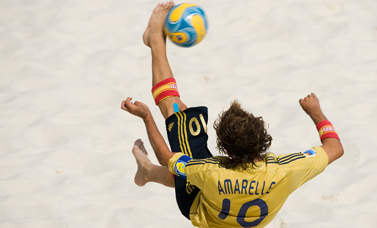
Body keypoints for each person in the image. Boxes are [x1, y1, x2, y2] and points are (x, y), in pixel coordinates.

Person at [121, 1, 344, 227]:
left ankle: (155, 40)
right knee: (184, 168)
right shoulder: (284, 170)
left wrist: (147, 117)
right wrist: (316, 113)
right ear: (263, 141)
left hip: (196, 205)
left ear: (225, 150)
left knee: (176, 110)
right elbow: (335, 148)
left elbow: (166, 158)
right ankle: (147, 172)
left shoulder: (209, 171)